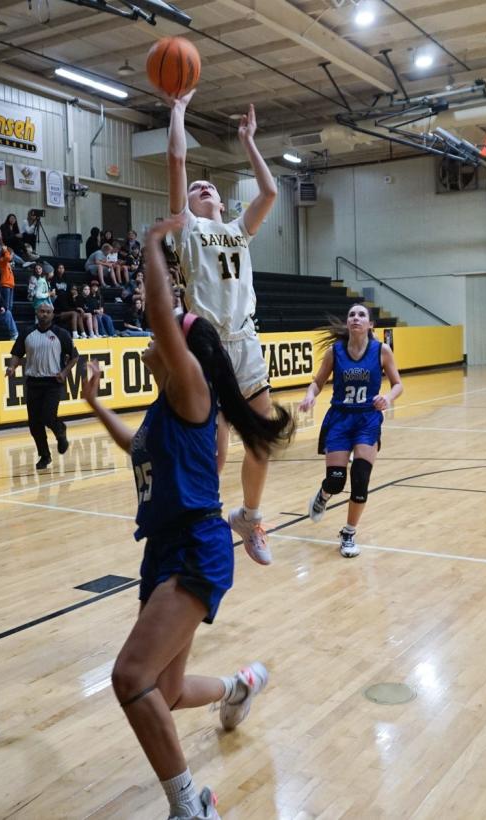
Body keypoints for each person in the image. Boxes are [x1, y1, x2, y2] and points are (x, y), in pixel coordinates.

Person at [80, 216, 293, 820]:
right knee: (165, 691)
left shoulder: (192, 388)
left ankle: (190, 805)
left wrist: (150, 245)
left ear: (182, 350)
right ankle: (237, 687)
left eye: (165, 336)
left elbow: (158, 319)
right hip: (164, 550)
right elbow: (135, 447)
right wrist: (96, 402)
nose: (153, 342)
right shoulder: (163, 409)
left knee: (130, 678)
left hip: (196, 547)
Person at [168, 94, 279, 564]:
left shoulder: (237, 229)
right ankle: (201, 527)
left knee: (262, 438)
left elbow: (270, 192)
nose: (204, 186)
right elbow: (177, 157)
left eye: (209, 185)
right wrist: (177, 107)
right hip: (208, 346)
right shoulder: (186, 228)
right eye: (197, 187)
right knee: (213, 454)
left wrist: (249, 141)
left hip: (246, 341)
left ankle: (249, 517)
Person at [299, 304, 403, 557]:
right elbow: (317, 382)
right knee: (336, 481)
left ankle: (348, 532)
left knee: (360, 480)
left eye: (361, 315)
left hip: (367, 420)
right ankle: (324, 494)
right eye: (352, 315)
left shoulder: (382, 350)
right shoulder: (335, 352)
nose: (356, 318)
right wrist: (309, 396)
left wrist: (387, 398)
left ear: (370, 325)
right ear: (348, 323)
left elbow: (398, 384)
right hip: (340, 419)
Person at [6, 303, 79, 470]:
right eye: (42, 311)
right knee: (34, 424)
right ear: (37, 313)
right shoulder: (27, 333)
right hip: (33, 382)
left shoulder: (61, 334)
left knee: (48, 416)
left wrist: (64, 372)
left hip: (53, 382)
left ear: (53, 314)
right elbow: (17, 354)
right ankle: (44, 456)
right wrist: (12, 367)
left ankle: (60, 430)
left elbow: (75, 357)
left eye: (48, 312)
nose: (44, 314)